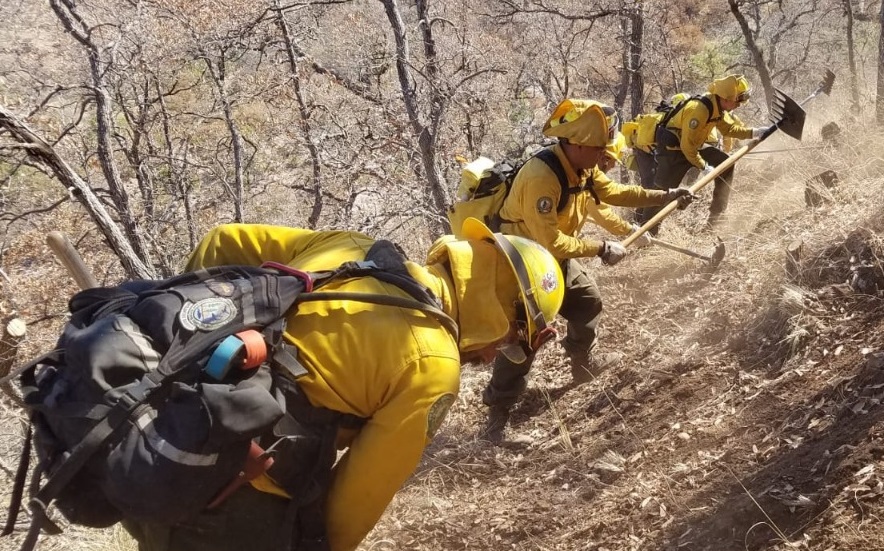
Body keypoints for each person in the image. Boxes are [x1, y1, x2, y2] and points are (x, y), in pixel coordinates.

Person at [122, 219, 564, 551]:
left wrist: (188, 344)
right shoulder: (433, 364)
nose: (491, 357)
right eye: (509, 341)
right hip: (230, 499)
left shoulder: (350, 246)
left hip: (147, 436)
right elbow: (354, 503)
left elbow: (222, 241)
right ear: (500, 309)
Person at [483, 98, 693, 419]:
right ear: (578, 144)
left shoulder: (584, 166)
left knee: (587, 302)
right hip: (523, 264)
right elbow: (550, 241)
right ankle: (499, 413)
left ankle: (583, 365)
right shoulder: (542, 177)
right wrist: (601, 248)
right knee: (526, 337)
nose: (604, 155)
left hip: (555, 258)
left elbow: (615, 193)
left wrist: (666, 195)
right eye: (600, 148)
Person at [650, 75, 773, 230]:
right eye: (738, 101)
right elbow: (687, 147)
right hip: (673, 152)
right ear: (727, 98)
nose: (739, 105)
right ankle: (647, 230)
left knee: (725, 164)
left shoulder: (717, 108)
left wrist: (755, 132)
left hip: (693, 147)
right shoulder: (699, 110)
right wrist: (703, 166)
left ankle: (716, 216)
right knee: (663, 194)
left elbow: (729, 129)